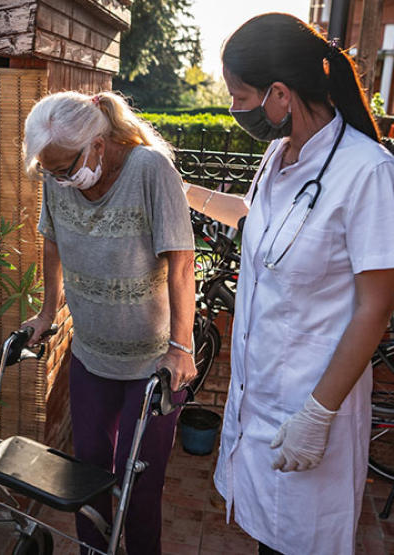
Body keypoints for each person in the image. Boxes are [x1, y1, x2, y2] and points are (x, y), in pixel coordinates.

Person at [185, 13, 394, 555]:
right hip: (261, 403)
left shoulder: (366, 170)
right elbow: (256, 222)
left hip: (311, 406)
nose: (234, 110)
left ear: (279, 94)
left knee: (298, 545)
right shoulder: (280, 156)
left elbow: (376, 306)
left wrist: (317, 415)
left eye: (239, 96)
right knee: (267, 541)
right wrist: (179, 186)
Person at [21, 90, 196, 555]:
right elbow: (52, 241)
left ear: (97, 144)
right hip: (91, 354)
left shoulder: (150, 170)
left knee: (139, 489)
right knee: (88, 478)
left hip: (153, 366)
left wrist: (182, 346)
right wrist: (46, 311)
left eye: (64, 167)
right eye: (49, 170)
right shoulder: (58, 177)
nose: (58, 179)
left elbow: (181, 262)